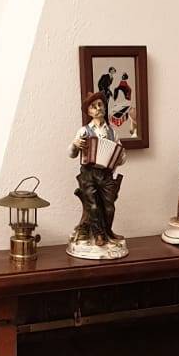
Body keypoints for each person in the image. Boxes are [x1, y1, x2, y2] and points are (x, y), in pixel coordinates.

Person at [68, 90, 126, 247]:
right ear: (89, 112)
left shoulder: (112, 133)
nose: (98, 108)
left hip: (106, 174)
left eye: (100, 105)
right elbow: (72, 154)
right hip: (89, 173)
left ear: (104, 108)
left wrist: (119, 157)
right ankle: (98, 234)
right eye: (94, 106)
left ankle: (108, 231)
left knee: (109, 207)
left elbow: (121, 157)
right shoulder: (84, 131)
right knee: (93, 206)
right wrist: (75, 144)